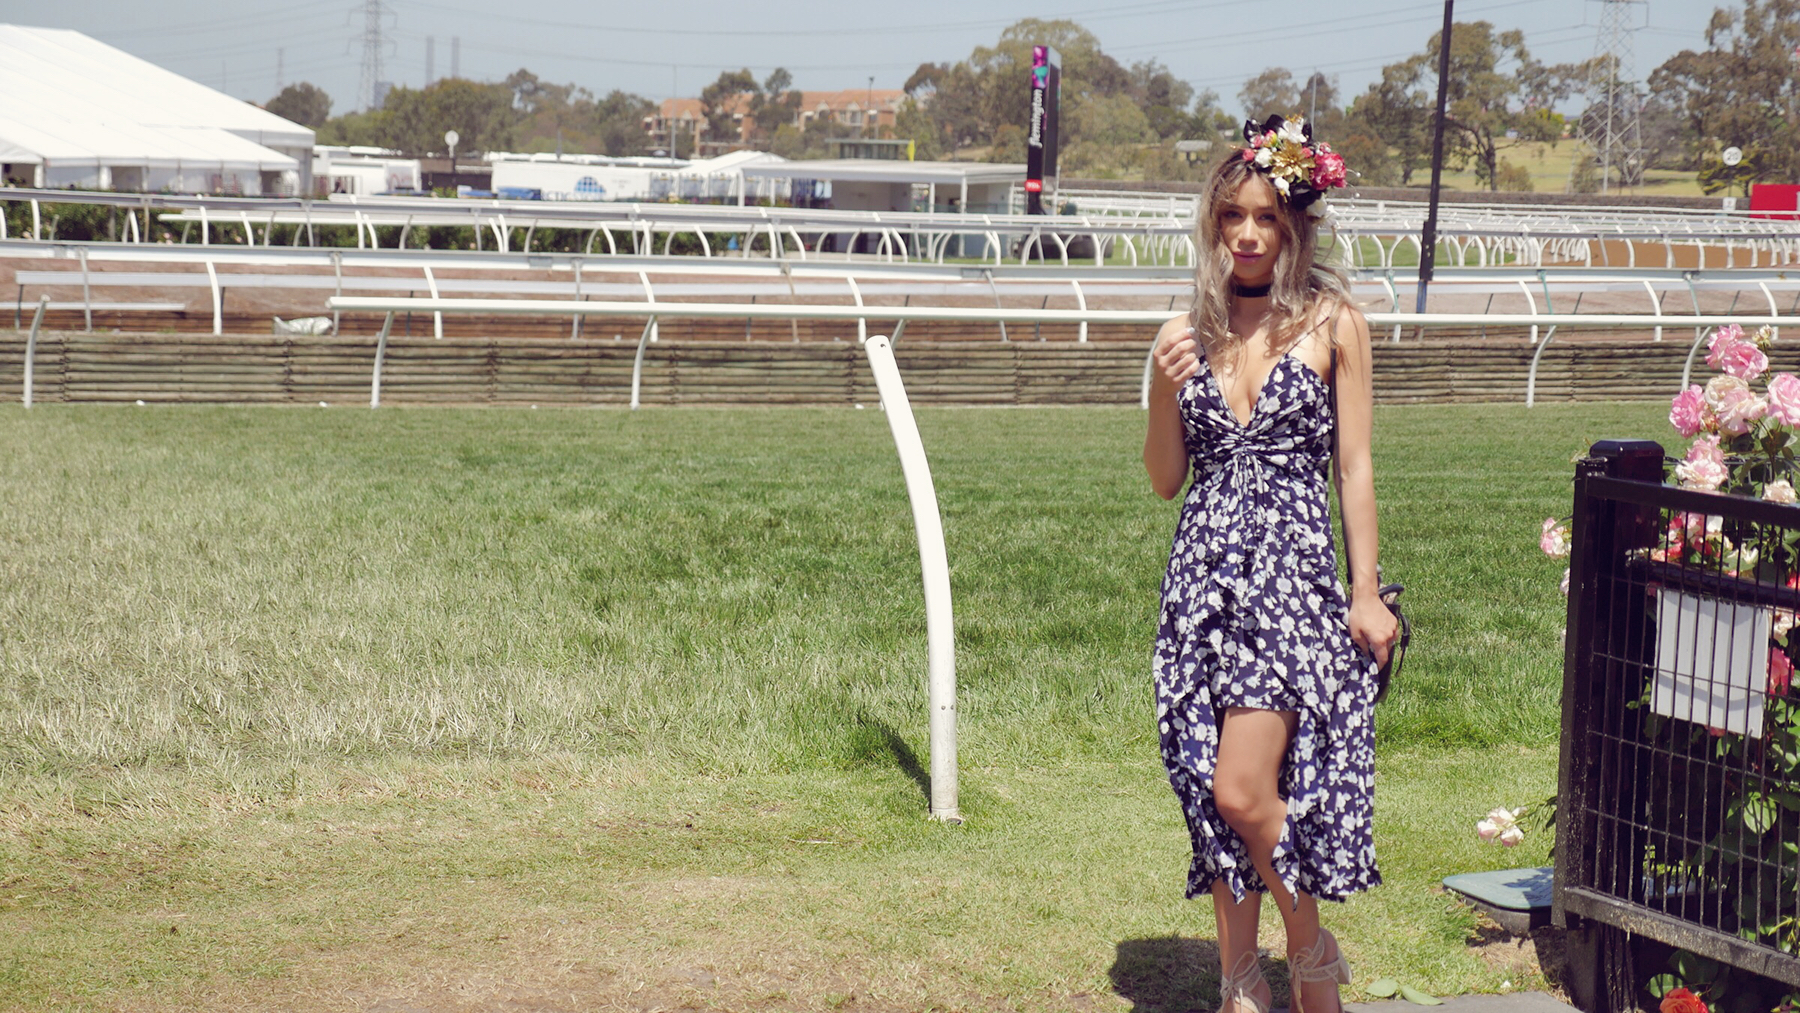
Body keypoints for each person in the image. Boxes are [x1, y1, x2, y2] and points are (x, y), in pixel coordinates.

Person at [1142, 115, 1396, 1013]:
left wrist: (1364, 591)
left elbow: (1354, 466)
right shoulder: (1188, 330)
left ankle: (1311, 949)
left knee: (1243, 788)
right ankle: (1240, 980)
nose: (1247, 235)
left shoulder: (1335, 324)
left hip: (1288, 585)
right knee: (1214, 802)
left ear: (1294, 227)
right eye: (1230, 219)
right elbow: (1166, 477)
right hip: (1200, 585)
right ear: (1212, 227)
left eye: (1265, 218)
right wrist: (1162, 390)